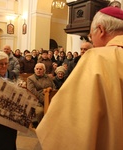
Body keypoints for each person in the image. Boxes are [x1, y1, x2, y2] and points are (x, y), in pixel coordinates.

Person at [36, 6, 123, 150]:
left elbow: (71, 119)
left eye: (91, 35)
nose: (92, 41)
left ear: (101, 30)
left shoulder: (98, 58)